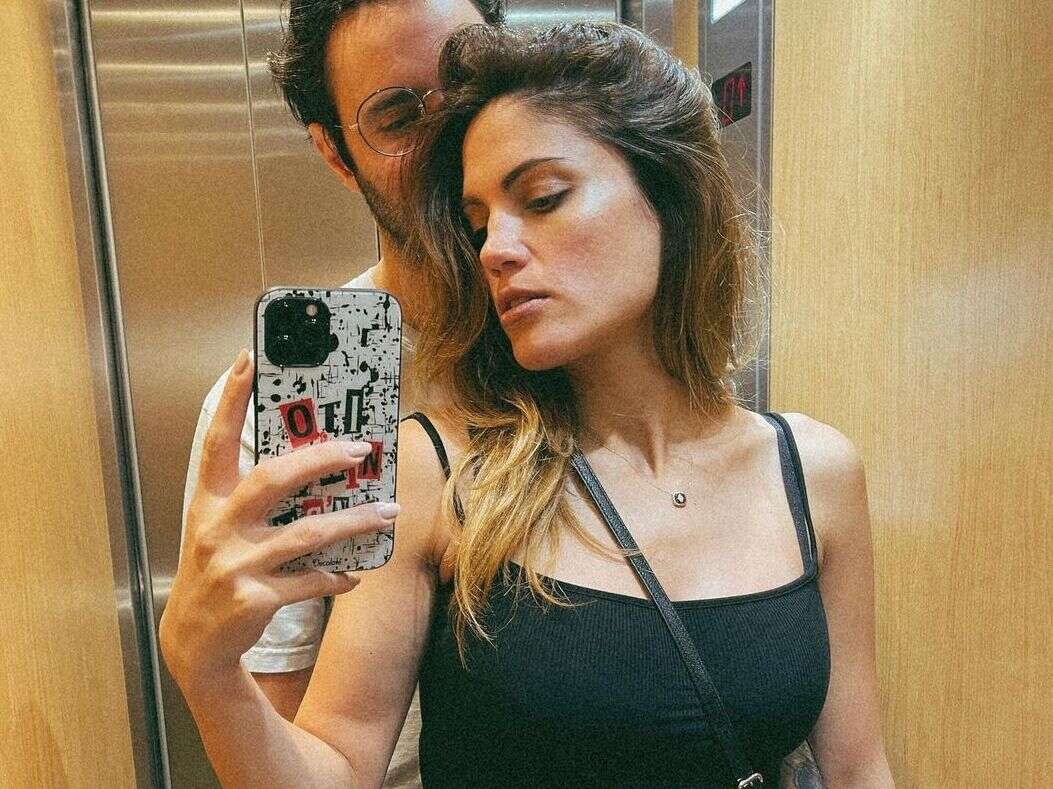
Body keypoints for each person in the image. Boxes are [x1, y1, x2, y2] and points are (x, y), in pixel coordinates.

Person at [166, 21, 887, 788]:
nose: (493, 249)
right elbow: (334, 767)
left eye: (542, 198)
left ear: (672, 194)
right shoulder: (433, 470)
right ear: (334, 150)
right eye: (476, 224)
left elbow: (856, 765)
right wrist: (206, 670)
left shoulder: (814, 471)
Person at [178, 1, 502, 786]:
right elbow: (286, 753)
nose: (452, 132)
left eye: (473, 82)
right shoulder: (298, 400)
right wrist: (204, 665)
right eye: (399, 115)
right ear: (335, 153)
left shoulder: (595, 336)